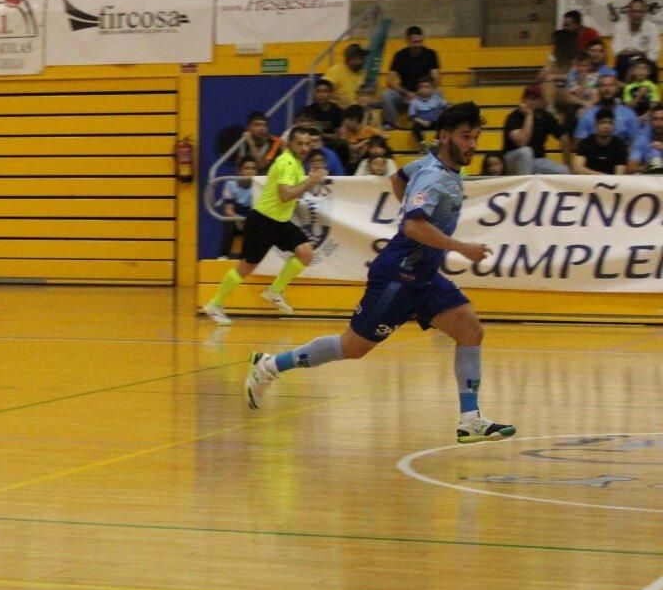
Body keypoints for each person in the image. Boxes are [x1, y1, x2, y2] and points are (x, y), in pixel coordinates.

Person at [246, 103, 516, 445]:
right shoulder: (435, 178)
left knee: (470, 329)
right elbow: (413, 225)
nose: (472, 145)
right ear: (445, 136)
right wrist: (461, 247)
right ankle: (270, 366)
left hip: (424, 274)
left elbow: (397, 179)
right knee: (353, 347)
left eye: (476, 137)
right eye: (466, 137)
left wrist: (419, 219)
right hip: (398, 277)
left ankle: (470, 419)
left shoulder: (430, 165)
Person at [203, 124, 326, 325]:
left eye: (307, 144)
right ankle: (214, 305)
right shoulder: (286, 162)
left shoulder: (296, 163)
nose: (304, 148)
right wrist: (310, 182)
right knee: (246, 268)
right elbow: (285, 195)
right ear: (290, 144)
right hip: (263, 222)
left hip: (281, 222)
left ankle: (274, 292)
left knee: (305, 253)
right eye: (299, 144)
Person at [382, 25, 442, 127]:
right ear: (408, 41)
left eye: (420, 42)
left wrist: (420, 93)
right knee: (387, 95)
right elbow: (390, 80)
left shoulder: (430, 54)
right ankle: (390, 125)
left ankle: (434, 124)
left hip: (424, 95)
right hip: (404, 95)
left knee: (438, 93)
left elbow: (436, 80)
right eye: (415, 42)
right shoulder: (399, 55)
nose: (418, 45)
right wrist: (406, 93)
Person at [502, 84, 569, 174]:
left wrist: (568, 163)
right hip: (512, 159)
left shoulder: (546, 116)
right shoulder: (514, 116)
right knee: (526, 152)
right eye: (527, 97)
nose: (529, 101)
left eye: (534, 98)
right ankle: (525, 188)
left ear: (541, 101)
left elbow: (563, 137)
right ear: (522, 99)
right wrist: (529, 115)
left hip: (536, 160)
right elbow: (522, 142)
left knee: (565, 171)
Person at [612, 0, 662, 77]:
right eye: (634, 11)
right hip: (625, 63)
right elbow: (616, 51)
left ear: (644, 13)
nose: (637, 15)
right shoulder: (619, 27)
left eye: (640, 11)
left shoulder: (652, 28)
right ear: (628, 13)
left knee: (652, 64)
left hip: (645, 64)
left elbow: (654, 53)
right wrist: (639, 52)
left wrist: (637, 55)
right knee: (620, 61)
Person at [574, 108, 631, 174]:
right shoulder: (585, 143)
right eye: (602, 122)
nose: (606, 126)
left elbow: (619, 173)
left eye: (610, 123)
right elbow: (577, 168)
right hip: (588, 182)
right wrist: (601, 176)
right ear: (595, 125)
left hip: (612, 183)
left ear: (614, 126)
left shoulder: (620, 145)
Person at [408, 77, 449, 143]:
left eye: (427, 87)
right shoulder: (414, 101)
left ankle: (436, 142)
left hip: (435, 122)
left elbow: (448, 107)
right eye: (422, 87)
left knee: (443, 124)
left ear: (432, 89)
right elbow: (412, 116)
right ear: (418, 89)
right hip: (422, 123)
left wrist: (442, 113)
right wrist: (422, 122)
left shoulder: (437, 98)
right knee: (415, 126)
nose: (424, 89)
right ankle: (422, 143)